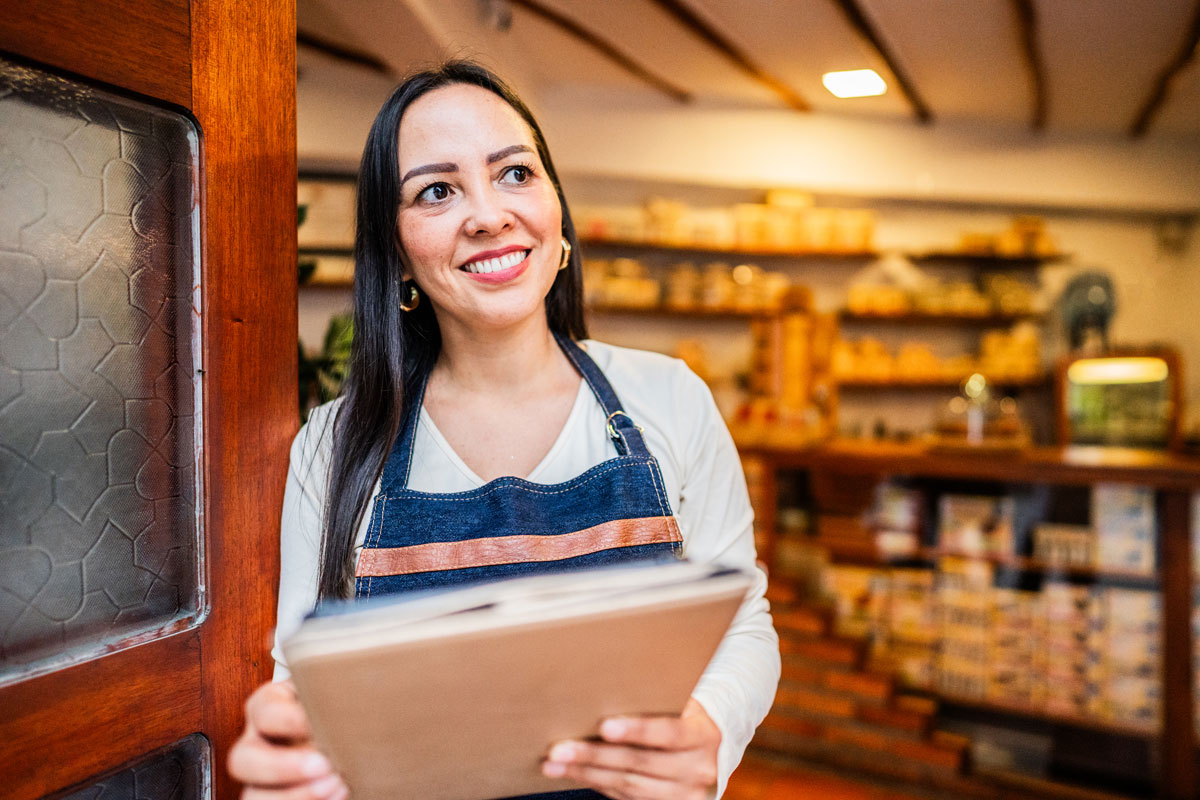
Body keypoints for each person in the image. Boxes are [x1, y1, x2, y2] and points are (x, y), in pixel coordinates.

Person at [228, 61, 779, 800]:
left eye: (514, 173)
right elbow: (307, 683)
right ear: (397, 254)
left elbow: (743, 618)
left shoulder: (670, 399)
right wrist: (290, 766)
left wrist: (710, 730)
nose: (488, 214)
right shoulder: (335, 445)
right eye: (437, 190)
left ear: (558, 214)